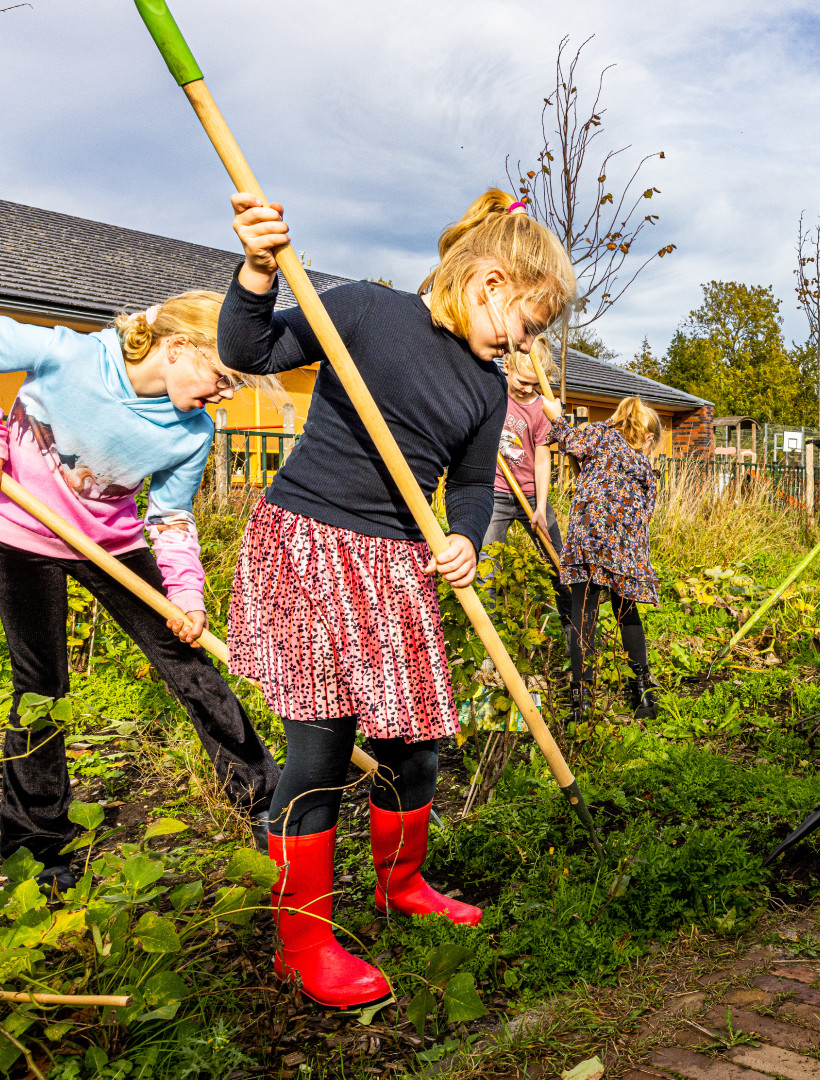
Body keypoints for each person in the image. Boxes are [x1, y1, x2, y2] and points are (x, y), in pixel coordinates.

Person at [219, 188, 575, 1008]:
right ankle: (302, 943)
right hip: (312, 544)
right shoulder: (366, 313)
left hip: (397, 566)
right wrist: (259, 269)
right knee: (318, 752)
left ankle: (400, 883)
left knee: (415, 744)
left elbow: (478, 482)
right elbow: (249, 350)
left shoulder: (489, 388)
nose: (529, 342)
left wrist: (464, 537)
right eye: (529, 322)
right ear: (489, 282)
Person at [0, 295, 282, 892]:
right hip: (22, 536)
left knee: (190, 664)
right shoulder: (66, 355)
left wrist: (188, 598)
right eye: (223, 377)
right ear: (179, 347)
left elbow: (172, 517)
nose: (227, 394)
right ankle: (39, 841)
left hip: (115, 547)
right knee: (40, 688)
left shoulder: (193, 432)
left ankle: (266, 801)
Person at [540, 394, 661, 722]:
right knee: (626, 608)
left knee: (584, 615)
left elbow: (567, 439)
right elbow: (646, 512)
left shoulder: (596, 434)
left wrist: (555, 416)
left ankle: (581, 703)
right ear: (648, 438)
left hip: (590, 537)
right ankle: (643, 695)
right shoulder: (645, 468)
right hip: (626, 544)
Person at [479, 334, 572, 637]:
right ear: (507, 365)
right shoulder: (491, 390)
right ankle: (487, 654)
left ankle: (574, 634)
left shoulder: (541, 409)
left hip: (532, 494)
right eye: (522, 380)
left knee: (557, 564)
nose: (526, 388)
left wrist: (541, 507)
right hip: (496, 493)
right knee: (486, 568)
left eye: (534, 384)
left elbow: (544, 458)